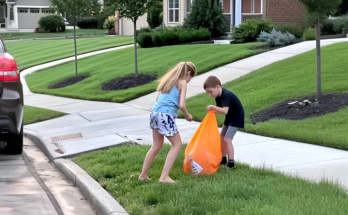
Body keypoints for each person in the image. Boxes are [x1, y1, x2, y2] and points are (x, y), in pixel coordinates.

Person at [139, 62, 197, 183]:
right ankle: (164, 177)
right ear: (187, 73)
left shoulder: (169, 80)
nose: (190, 80)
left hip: (155, 113)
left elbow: (158, 99)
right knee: (177, 145)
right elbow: (181, 104)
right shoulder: (182, 82)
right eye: (191, 77)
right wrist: (187, 115)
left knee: (156, 145)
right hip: (166, 116)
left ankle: (143, 175)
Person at [203, 76, 245, 169]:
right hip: (230, 117)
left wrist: (212, 107)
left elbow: (224, 110)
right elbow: (220, 109)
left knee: (227, 139)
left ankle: (231, 163)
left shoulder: (226, 95)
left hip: (236, 117)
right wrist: (212, 112)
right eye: (208, 93)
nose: (210, 94)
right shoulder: (218, 96)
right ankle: (223, 159)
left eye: (210, 91)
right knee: (221, 138)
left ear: (217, 87)